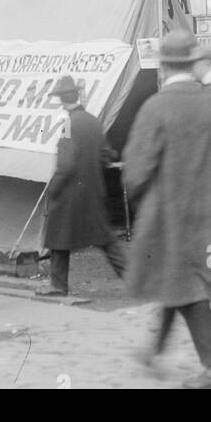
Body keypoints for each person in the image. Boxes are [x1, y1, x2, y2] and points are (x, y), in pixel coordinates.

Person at [122, 30, 211, 390]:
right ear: (192, 63)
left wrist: (143, 199)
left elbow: (136, 170)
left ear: (164, 66)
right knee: (181, 282)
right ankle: (153, 351)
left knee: (185, 287)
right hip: (209, 213)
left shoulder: (156, 106)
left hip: (168, 216)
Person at [35, 76, 126, 298]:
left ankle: (58, 285)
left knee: (58, 236)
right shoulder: (94, 121)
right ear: (76, 96)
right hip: (93, 191)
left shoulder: (67, 124)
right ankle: (133, 279)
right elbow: (107, 155)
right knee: (104, 239)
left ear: (60, 100)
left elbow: (65, 164)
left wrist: (53, 188)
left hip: (69, 192)